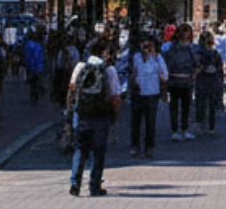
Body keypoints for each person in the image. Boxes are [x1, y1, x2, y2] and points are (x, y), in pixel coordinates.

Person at [67, 37, 124, 197]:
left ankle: (75, 182)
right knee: (98, 151)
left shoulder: (81, 67)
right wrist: (115, 115)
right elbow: (115, 96)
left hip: (82, 114)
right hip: (101, 115)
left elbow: (72, 90)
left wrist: (70, 110)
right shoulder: (109, 70)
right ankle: (95, 185)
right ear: (103, 53)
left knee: (80, 148)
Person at [125, 34, 167, 159]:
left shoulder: (157, 58)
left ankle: (149, 147)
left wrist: (155, 56)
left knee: (150, 122)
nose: (146, 48)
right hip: (138, 93)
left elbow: (165, 75)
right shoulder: (136, 57)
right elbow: (132, 72)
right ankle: (135, 146)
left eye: (149, 45)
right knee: (136, 121)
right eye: (144, 44)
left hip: (152, 93)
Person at [161, 25, 197, 141]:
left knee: (175, 106)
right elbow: (197, 64)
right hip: (184, 80)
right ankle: (183, 130)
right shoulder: (190, 49)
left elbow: (165, 64)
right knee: (185, 107)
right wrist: (193, 76)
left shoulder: (170, 49)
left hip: (174, 80)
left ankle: (175, 130)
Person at [193, 31, 226, 137]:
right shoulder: (215, 53)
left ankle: (201, 125)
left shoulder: (198, 53)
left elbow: (195, 66)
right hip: (213, 80)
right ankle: (211, 127)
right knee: (212, 105)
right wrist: (221, 80)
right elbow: (220, 68)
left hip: (201, 80)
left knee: (200, 103)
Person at [21, 30, 46, 105]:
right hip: (39, 66)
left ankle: (34, 95)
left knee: (32, 83)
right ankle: (37, 92)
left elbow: (27, 57)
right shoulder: (38, 45)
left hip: (31, 66)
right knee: (36, 81)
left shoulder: (27, 45)